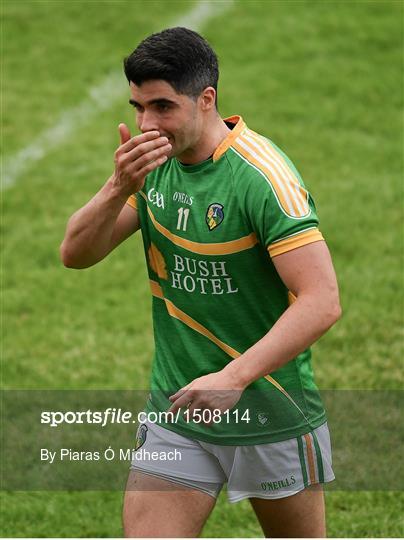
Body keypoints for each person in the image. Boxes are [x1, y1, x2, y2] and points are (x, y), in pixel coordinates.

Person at [61, 26, 341, 538]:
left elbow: (321, 300)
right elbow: (76, 254)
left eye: (163, 107)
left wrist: (233, 378)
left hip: (267, 408)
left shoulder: (261, 178)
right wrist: (118, 186)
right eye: (138, 106)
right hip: (178, 407)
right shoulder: (152, 167)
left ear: (206, 99)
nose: (147, 123)